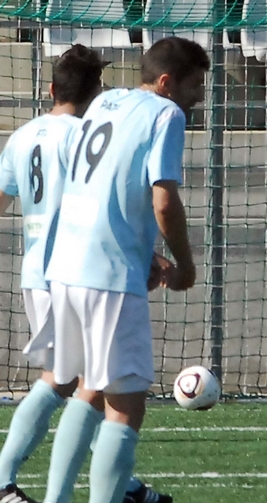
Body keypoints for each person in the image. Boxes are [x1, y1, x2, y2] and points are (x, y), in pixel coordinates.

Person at [0, 45, 173, 503]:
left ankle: (120, 483)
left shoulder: (24, 134)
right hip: (79, 270)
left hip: (35, 270)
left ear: (52, 88)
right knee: (79, 382)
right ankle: (5, 478)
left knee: (80, 380)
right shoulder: (85, 134)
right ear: (97, 94)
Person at [43, 36, 206, 503]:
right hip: (108, 278)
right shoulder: (167, 114)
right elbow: (164, 201)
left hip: (67, 265)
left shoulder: (106, 99)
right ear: (167, 82)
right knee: (127, 405)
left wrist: (142, 254)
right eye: (195, 86)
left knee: (90, 388)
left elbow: (92, 180)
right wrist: (184, 266)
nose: (199, 96)